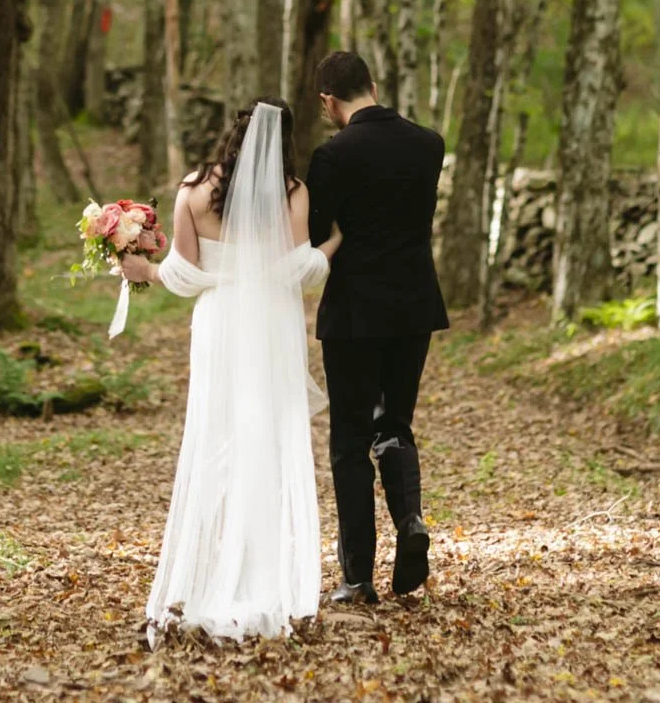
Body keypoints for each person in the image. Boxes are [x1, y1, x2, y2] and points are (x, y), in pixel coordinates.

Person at [120, 97, 341, 643]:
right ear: (283, 141)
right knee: (267, 439)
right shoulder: (292, 192)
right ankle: (264, 575)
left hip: (219, 324)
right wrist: (335, 242)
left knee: (217, 435)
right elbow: (297, 269)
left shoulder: (192, 190)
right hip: (268, 324)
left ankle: (209, 572)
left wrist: (142, 267)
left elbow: (185, 273)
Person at [306, 50, 449, 605]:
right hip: (414, 305)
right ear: (372, 84)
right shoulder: (428, 144)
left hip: (353, 313)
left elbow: (320, 232)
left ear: (327, 100)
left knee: (348, 442)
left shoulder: (333, 156)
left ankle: (358, 577)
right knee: (396, 425)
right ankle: (409, 521)